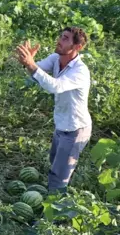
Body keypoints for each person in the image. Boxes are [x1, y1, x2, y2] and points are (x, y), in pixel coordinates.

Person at [15, 27, 92, 193]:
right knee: (55, 162)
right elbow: (37, 72)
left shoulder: (80, 71)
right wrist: (27, 63)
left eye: (65, 39)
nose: (59, 40)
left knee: (58, 178)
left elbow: (55, 86)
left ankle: (54, 216)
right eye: (61, 36)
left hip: (75, 129)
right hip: (61, 125)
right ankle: (57, 195)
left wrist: (31, 64)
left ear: (77, 47)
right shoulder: (56, 58)